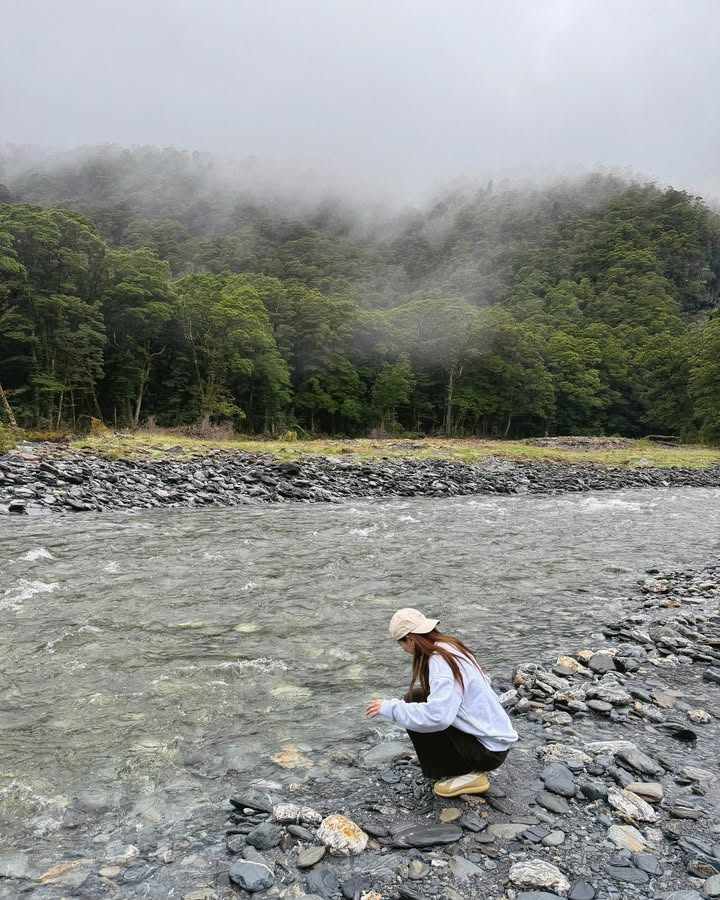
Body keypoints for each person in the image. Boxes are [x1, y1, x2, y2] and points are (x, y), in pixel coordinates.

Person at [365, 607, 517, 797]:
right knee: (416, 697)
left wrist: (389, 708)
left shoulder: (440, 662)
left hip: (488, 753)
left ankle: (464, 774)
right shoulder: (450, 647)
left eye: (400, 643)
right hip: (495, 741)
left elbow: (438, 718)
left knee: (411, 704)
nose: (402, 649)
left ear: (411, 638)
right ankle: (456, 767)